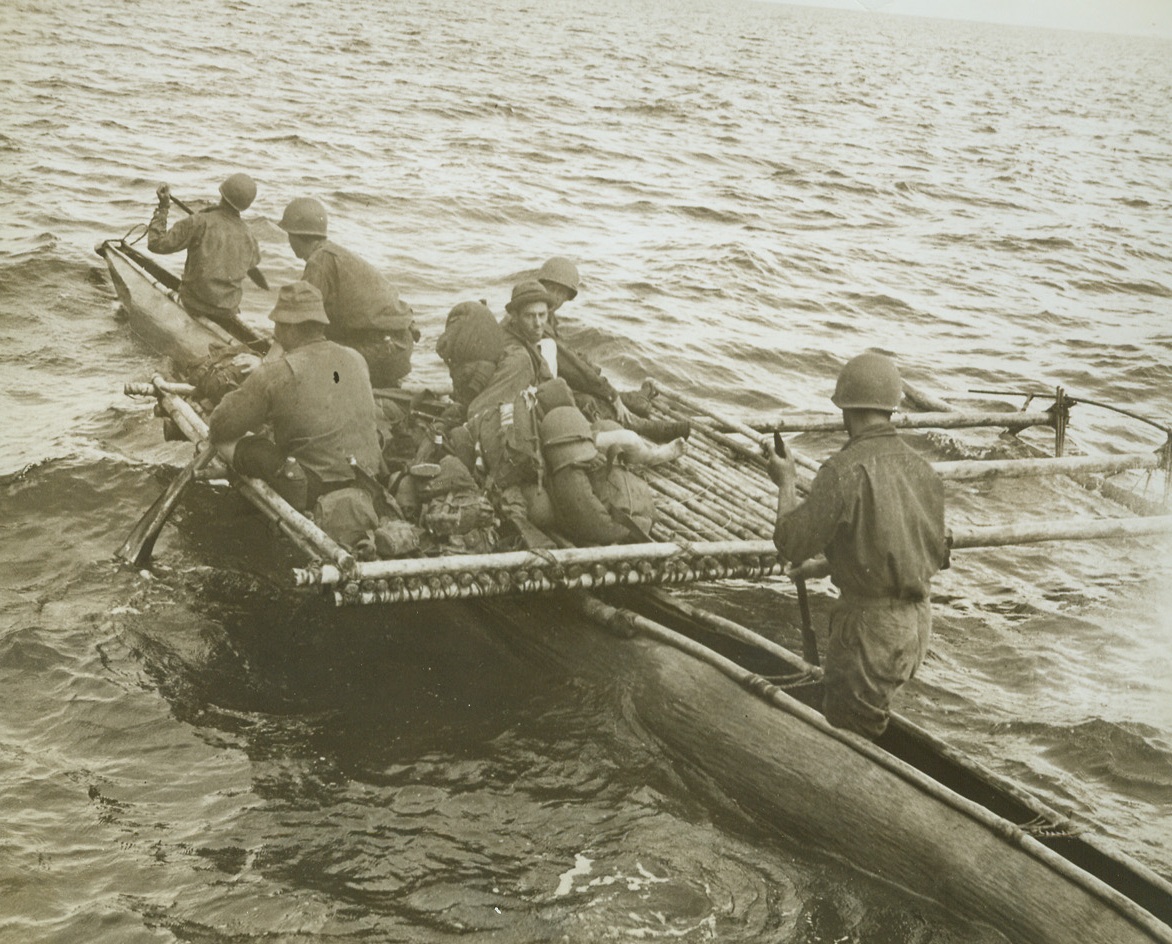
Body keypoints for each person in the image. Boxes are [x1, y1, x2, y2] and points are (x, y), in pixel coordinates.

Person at [766, 351, 948, 739]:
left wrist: (785, 482)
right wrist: (825, 567)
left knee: (848, 735)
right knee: (870, 719)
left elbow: (790, 542)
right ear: (890, 408)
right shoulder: (924, 471)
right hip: (916, 625)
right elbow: (924, 552)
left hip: (871, 632)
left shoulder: (842, 470)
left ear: (846, 410)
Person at [207, 281, 384, 547]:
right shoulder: (355, 358)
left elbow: (220, 425)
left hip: (313, 488)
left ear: (290, 327)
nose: (275, 331)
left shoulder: (276, 372)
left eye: (278, 325)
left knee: (224, 440)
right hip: (367, 478)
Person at [535, 256, 686, 442]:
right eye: (552, 289)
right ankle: (636, 423)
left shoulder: (545, 314)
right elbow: (572, 367)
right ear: (541, 285)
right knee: (588, 400)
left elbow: (569, 355)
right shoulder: (536, 319)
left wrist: (600, 380)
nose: (556, 298)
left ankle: (635, 401)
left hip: (551, 378)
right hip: (539, 389)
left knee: (596, 388)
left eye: (562, 293)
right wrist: (610, 394)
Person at [277, 197, 418, 388]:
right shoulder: (333, 254)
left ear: (295, 235)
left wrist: (268, 361)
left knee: (314, 369)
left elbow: (298, 316)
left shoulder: (320, 261)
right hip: (397, 348)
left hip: (381, 350)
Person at [148, 173, 261, 329]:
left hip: (195, 304)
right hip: (227, 311)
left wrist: (163, 207)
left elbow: (156, 244)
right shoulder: (249, 236)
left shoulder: (199, 222)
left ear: (222, 193)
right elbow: (252, 263)